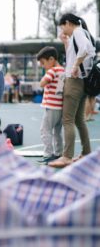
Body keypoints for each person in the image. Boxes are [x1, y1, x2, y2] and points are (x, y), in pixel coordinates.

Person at [48, 13, 95, 168]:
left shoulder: (77, 32)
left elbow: (85, 49)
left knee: (68, 119)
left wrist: (75, 66)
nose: (63, 31)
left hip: (74, 82)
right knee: (79, 120)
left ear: (67, 23)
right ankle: (86, 152)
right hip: (82, 82)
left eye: (62, 27)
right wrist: (66, 43)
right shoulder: (83, 33)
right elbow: (80, 52)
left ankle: (67, 156)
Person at [36, 46, 65, 164]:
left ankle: (48, 154)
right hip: (60, 106)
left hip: (51, 107)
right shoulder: (62, 70)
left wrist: (45, 77)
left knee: (45, 130)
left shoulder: (52, 71)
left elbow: (43, 83)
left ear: (51, 59)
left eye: (43, 63)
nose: (43, 66)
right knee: (57, 131)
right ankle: (59, 153)